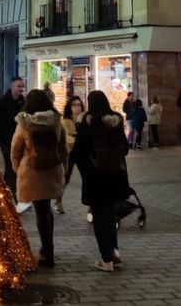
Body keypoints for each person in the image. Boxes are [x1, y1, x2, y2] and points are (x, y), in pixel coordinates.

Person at [74, 90, 129, 272]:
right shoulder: (115, 121)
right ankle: (115, 253)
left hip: (95, 177)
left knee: (99, 219)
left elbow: (79, 151)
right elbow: (125, 149)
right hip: (115, 176)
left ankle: (106, 260)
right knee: (110, 216)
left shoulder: (87, 122)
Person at [11, 89, 66, 267]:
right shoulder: (56, 122)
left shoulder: (24, 123)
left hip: (32, 173)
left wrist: (17, 168)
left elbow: (15, 150)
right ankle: (48, 249)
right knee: (45, 210)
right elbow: (62, 146)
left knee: (41, 212)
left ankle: (46, 252)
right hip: (52, 170)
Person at [0, 77, 27, 210]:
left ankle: (3, 195)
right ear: (12, 87)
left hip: (20, 140)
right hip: (6, 140)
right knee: (11, 168)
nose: (20, 89)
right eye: (18, 86)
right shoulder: (3, 101)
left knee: (17, 169)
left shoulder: (23, 102)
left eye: (22, 86)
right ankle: (14, 199)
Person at [54, 95, 83, 214]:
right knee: (65, 178)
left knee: (87, 178)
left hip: (82, 152)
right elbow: (66, 137)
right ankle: (58, 201)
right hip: (69, 152)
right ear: (69, 107)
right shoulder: (65, 121)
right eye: (74, 105)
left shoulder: (84, 119)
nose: (77, 108)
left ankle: (91, 205)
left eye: (79, 105)